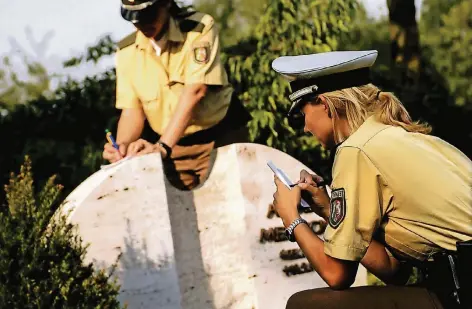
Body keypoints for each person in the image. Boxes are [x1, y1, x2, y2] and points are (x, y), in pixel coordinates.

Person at [270, 50, 472, 309]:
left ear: (325, 103)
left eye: (303, 114)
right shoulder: (398, 137)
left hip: (459, 293)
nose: (306, 127)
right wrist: (327, 208)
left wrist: (291, 217)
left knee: (305, 305)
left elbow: (337, 274)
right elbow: (393, 269)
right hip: (456, 286)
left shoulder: (356, 150)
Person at [102, 0, 251, 190]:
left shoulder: (198, 29)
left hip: (220, 137)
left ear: (165, 4)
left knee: (238, 204)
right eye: (136, 19)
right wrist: (122, 147)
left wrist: (162, 147)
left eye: (149, 15)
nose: (142, 24)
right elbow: (132, 111)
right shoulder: (126, 51)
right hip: (174, 151)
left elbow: (196, 91)